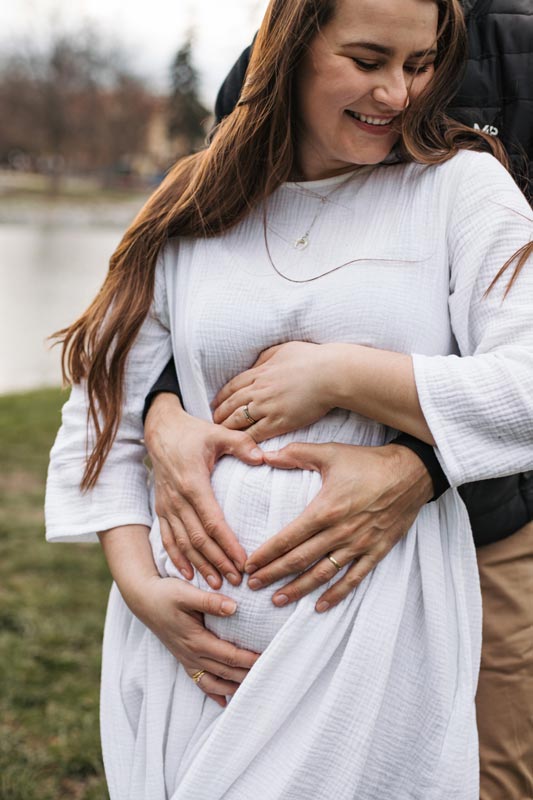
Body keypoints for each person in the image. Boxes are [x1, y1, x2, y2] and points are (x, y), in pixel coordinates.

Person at [45, 0, 533, 798]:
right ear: (292, 52)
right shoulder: (198, 197)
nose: (400, 95)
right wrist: (139, 585)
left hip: (369, 635)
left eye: (419, 66)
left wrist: (340, 374)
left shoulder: (461, 189)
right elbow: (103, 397)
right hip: (191, 650)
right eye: (368, 62)